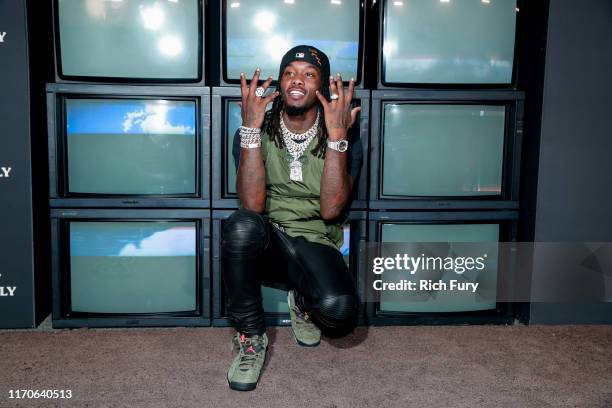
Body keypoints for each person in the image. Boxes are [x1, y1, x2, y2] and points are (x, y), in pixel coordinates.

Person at [222, 45, 363, 391]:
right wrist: (251, 130)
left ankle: (302, 298)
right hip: (268, 237)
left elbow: (331, 210)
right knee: (240, 227)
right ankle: (250, 337)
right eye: (289, 72)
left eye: (309, 74)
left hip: (315, 239)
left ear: (322, 87)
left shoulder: (344, 134)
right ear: (280, 82)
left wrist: (337, 138)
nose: (297, 80)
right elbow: (252, 206)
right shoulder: (255, 127)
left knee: (339, 312)